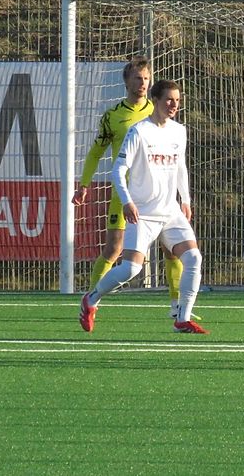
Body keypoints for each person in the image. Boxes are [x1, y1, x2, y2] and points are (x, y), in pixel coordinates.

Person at [78, 80, 206, 334]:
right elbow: (118, 170)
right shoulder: (139, 131)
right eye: (169, 99)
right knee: (131, 268)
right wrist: (127, 201)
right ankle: (91, 299)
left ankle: (182, 319)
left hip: (170, 211)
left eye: (177, 100)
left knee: (194, 258)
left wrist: (186, 200)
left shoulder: (179, 131)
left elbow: (180, 167)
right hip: (143, 212)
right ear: (155, 100)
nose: (174, 105)